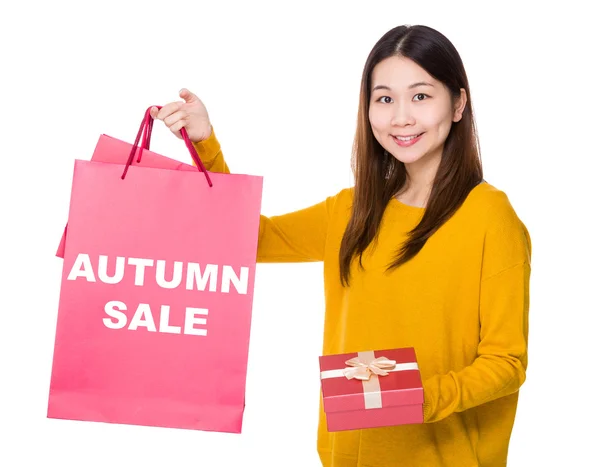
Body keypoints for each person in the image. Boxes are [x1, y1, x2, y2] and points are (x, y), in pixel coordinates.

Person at [150, 24, 531, 467]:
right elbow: (246, 240)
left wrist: (417, 396)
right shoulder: (353, 209)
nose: (401, 117)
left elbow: (506, 362)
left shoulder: (490, 216)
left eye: (421, 96)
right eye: (384, 98)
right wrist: (205, 147)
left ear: (459, 103)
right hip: (347, 456)